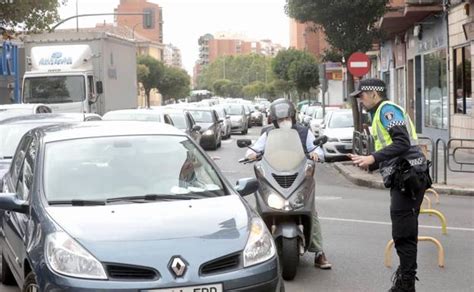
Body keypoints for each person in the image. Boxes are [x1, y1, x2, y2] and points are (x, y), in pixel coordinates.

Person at [348, 79, 431, 292]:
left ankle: (406, 285)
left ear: (374, 93)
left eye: (362, 95)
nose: (360, 100)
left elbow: (402, 142)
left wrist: (373, 158)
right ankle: (405, 282)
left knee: (404, 232)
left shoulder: (387, 111)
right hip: (405, 175)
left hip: (409, 176)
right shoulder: (378, 114)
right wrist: (370, 161)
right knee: (403, 231)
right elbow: (392, 148)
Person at [246, 98, 332, 269]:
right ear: (274, 121)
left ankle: (319, 252)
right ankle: (254, 250)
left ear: (293, 117)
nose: (284, 122)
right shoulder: (268, 133)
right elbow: (254, 149)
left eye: (287, 119)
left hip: (299, 178)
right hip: (273, 177)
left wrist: (316, 154)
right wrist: (251, 154)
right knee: (256, 211)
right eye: (280, 120)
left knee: (311, 212)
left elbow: (316, 150)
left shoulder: (304, 132)